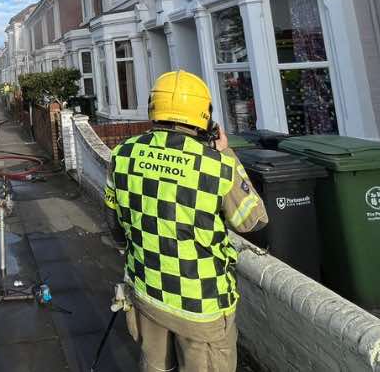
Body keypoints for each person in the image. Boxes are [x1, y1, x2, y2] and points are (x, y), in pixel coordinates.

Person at [103, 70, 268, 372]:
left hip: (147, 293)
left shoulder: (123, 154)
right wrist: (226, 152)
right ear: (204, 115)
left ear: (155, 107)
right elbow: (253, 220)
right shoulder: (215, 165)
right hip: (201, 306)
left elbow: (115, 226)